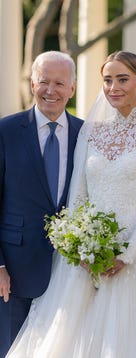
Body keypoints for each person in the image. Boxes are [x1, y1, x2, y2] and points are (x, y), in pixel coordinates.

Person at [6, 50, 136, 357]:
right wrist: (79, 246)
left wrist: (127, 253)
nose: (113, 87)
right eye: (107, 80)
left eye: (123, 79)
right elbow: (77, 197)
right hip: (83, 259)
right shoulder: (91, 133)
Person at [0, 51, 83, 357]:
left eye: (59, 83)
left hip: (71, 270)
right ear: (32, 83)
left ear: (72, 88)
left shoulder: (86, 134)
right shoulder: (5, 131)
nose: (51, 90)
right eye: (44, 81)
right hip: (15, 269)